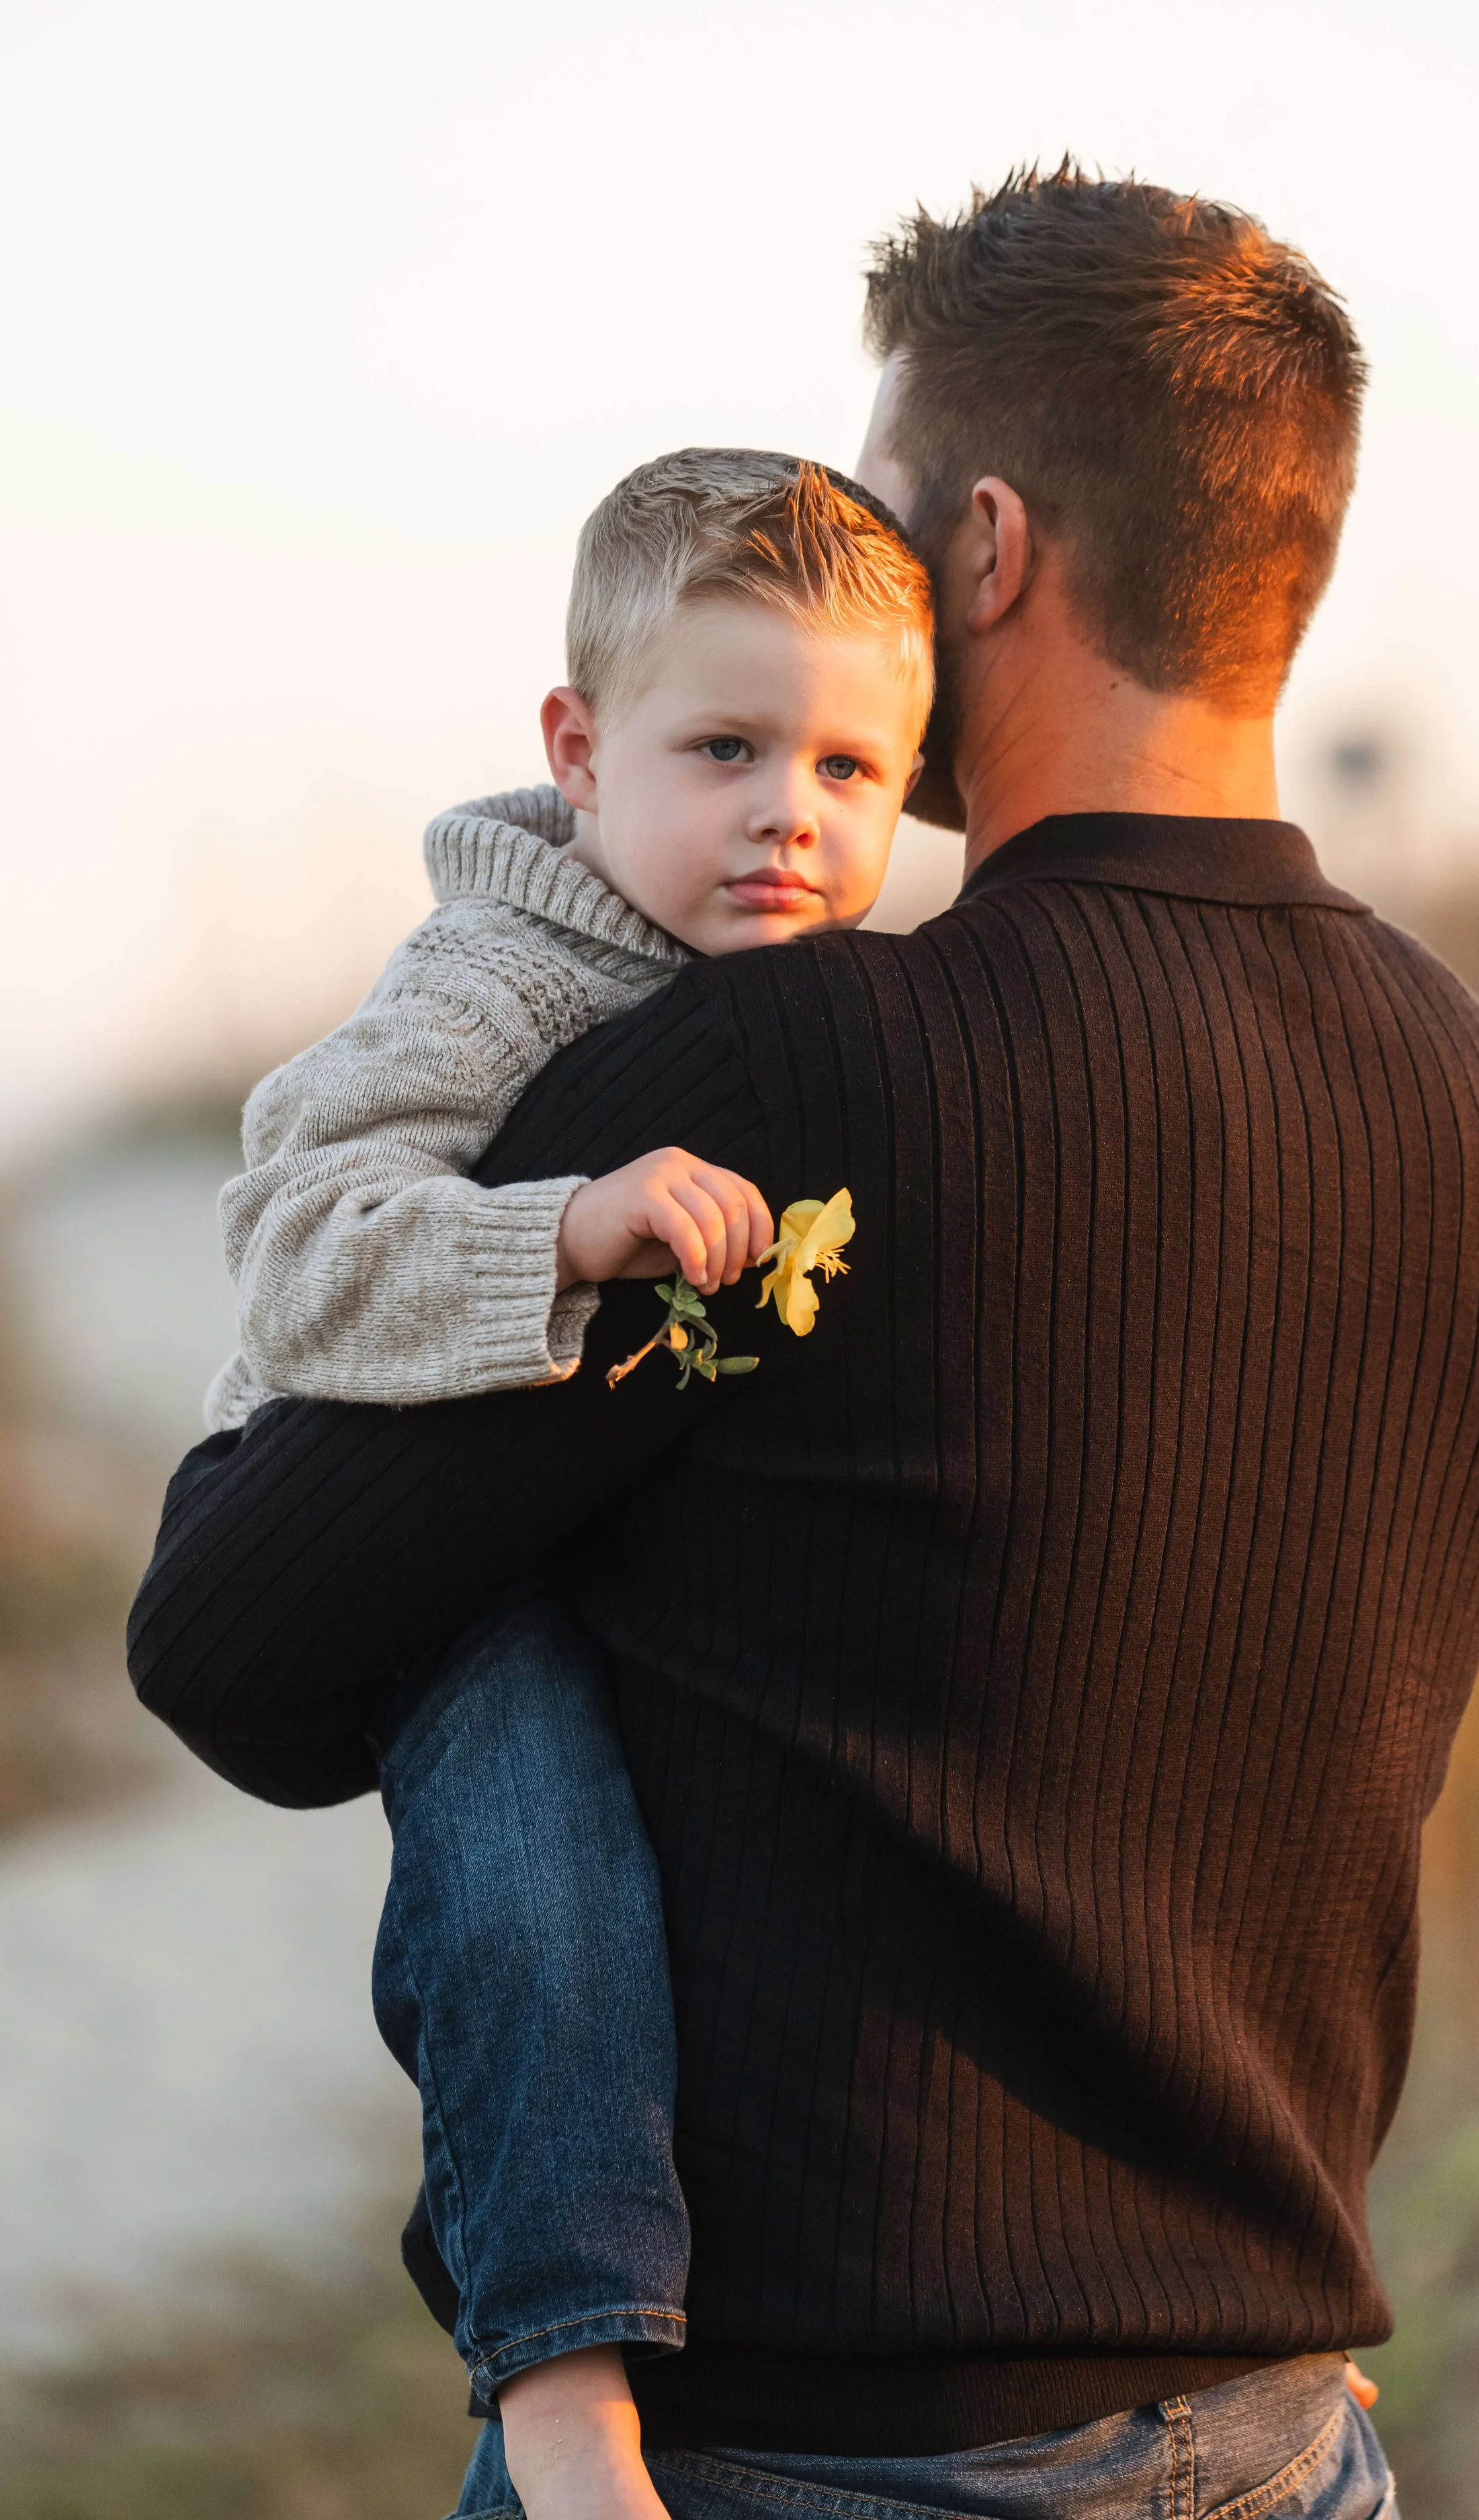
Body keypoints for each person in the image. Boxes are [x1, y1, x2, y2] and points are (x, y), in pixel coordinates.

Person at [128, 167, 1479, 2520]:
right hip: (1286, 2425)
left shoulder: (804, 1066)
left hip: (811, 2452)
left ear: (985, 550)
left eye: (885, 525)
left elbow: (228, 1635)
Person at [195, 451, 933, 2423]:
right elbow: (285, 1239)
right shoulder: (501, 968)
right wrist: (566, 1225)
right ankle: (558, 2372)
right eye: (725, 747)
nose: (789, 811)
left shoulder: (840, 1003)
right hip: (378, 1511)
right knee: (534, 1870)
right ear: (579, 748)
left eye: (850, 771)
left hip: (576, 1513)